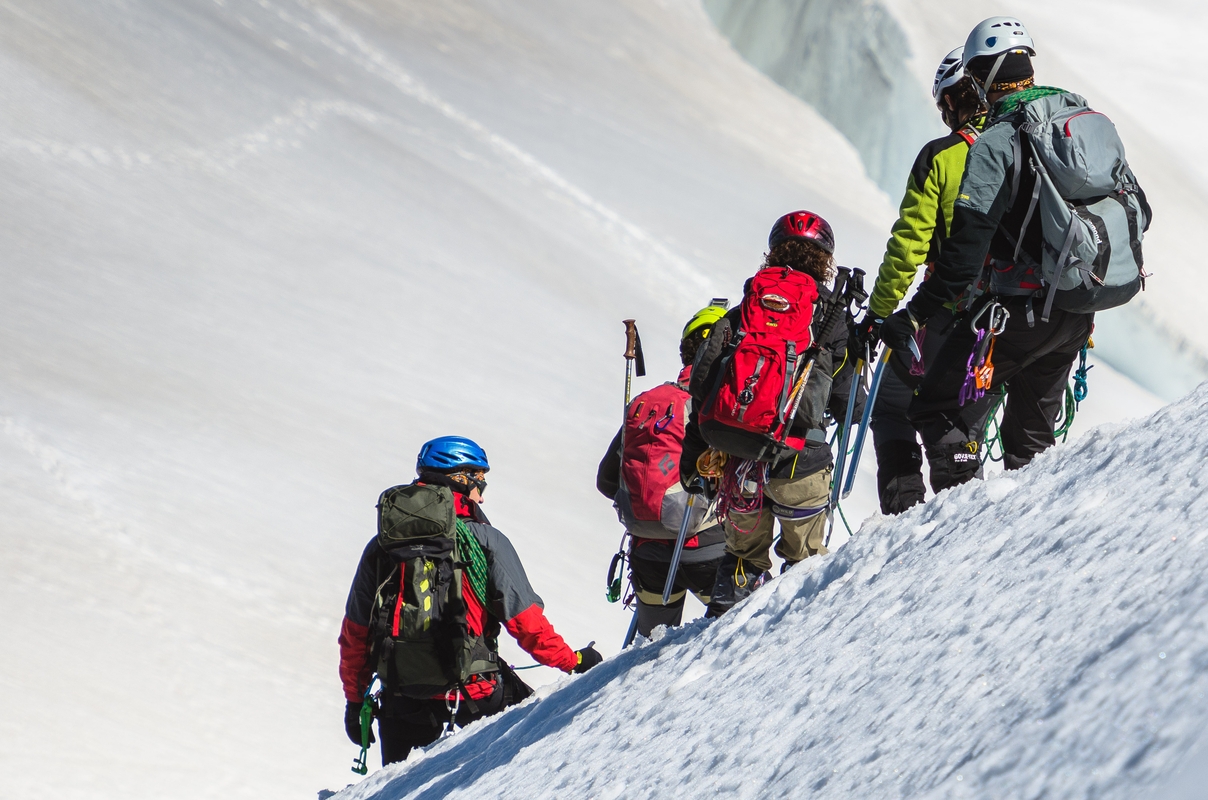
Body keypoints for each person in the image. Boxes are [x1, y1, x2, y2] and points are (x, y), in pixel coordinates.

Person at [878, 17, 1140, 477]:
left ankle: (960, 532)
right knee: (1030, 444)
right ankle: (1020, 543)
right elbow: (1140, 208)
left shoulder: (996, 143)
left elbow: (961, 261)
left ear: (981, 79)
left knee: (937, 409)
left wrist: (914, 314)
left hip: (1018, 314)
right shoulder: (1078, 120)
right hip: (1076, 312)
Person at [338, 436, 602, 765]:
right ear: (460, 480)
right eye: (480, 483)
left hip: (400, 702)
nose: (482, 496)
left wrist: (354, 700)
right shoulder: (484, 540)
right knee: (543, 750)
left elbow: (356, 634)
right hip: (473, 694)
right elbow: (526, 623)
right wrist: (574, 661)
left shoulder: (382, 548)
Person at [682, 211, 861, 617]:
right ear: (825, 260)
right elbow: (849, 399)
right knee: (806, 571)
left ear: (773, 252)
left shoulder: (745, 309)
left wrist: (694, 455)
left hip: (737, 461)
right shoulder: (829, 315)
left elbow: (703, 381)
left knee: (742, 562)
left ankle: (718, 640)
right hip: (799, 459)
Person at [853, 47, 994, 513]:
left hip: (948, 307)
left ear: (954, 100)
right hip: (1019, 311)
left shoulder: (944, 156)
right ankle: (965, 495)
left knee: (892, 403)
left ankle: (907, 510)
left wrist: (879, 312)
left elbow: (910, 244)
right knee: (967, 407)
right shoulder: (1024, 148)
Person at [596, 304, 728, 637]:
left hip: (647, 552)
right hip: (707, 546)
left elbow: (606, 479)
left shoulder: (649, 402)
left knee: (650, 657)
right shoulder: (720, 402)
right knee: (745, 635)